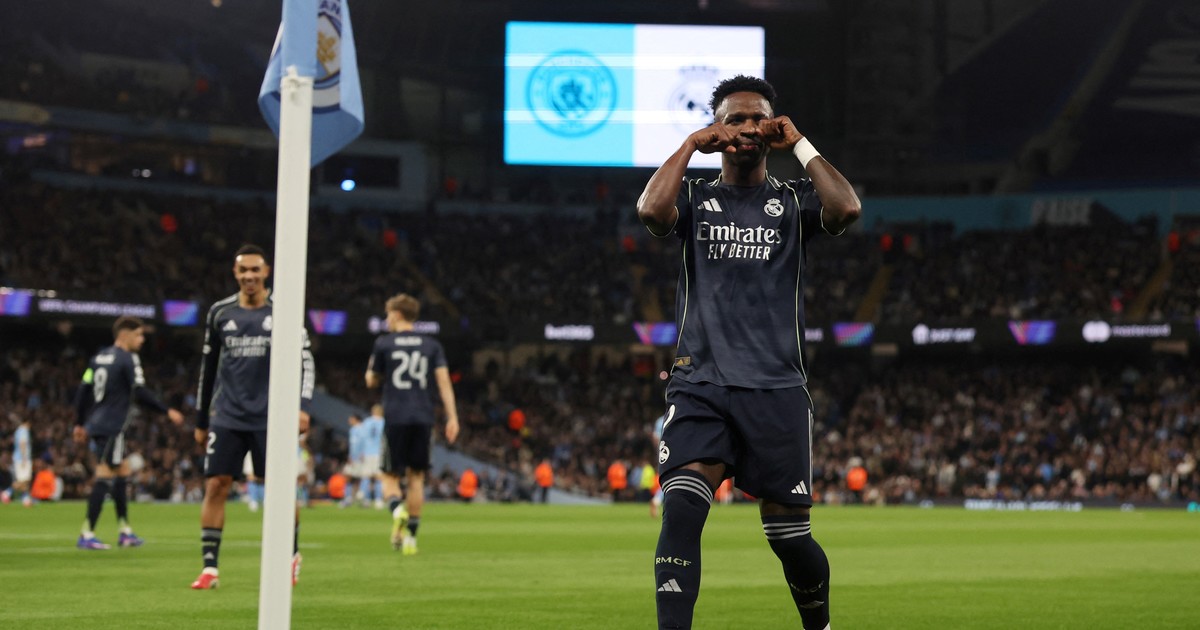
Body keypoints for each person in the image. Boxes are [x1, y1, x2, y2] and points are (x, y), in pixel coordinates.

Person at [636, 75, 861, 630]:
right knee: (682, 508)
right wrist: (689, 145)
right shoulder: (695, 197)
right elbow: (651, 212)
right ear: (717, 129)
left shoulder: (792, 202)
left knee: (790, 538)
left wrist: (800, 144)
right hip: (701, 383)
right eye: (733, 119)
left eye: (757, 117)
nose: (746, 127)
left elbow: (846, 208)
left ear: (772, 127)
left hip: (776, 389)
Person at [191, 244, 315, 590]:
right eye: (243, 270)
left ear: (266, 272)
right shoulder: (220, 313)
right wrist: (201, 419)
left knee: (280, 488)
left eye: (255, 270)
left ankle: (290, 555)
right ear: (235, 273)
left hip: (271, 418)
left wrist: (302, 406)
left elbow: (306, 361)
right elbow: (208, 369)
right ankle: (210, 568)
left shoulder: (285, 311)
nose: (249, 276)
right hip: (227, 415)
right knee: (216, 484)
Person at [73, 316, 185, 550]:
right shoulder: (128, 359)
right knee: (104, 475)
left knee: (122, 472)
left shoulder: (97, 358)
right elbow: (139, 391)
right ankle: (87, 533)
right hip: (113, 425)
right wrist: (166, 411)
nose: (142, 340)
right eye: (139, 335)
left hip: (97, 422)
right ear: (124, 335)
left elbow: (84, 389)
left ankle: (125, 531)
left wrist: (79, 423)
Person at [365, 293, 460, 555]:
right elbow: (443, 383)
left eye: (388, 314)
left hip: (395, 416)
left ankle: (397, 510)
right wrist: (452, 417)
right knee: (416, 478)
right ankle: (410, 540)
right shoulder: (432, 345)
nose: (386, 319)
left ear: (397, 314)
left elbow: (371, 380)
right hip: (423, 417)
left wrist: (375, 371)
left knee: (389, 476)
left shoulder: (384, 343)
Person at [6, 415, 33, 507]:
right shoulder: (23, 431)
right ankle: (6, 493)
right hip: (22, 458)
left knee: (25, 480)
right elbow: (22, 443)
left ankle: (26, 499)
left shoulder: (18, 431)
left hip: (19, 458)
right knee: (23, 480)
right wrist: (24, 458)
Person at [361, 405, 385, 508]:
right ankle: (378, 500)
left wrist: (361, 452)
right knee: (379, 477)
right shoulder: (384, 422)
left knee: (367, 476)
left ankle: (365, 499)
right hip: (379, 453)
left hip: (367, 453)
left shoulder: (367, 422)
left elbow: (362, 438)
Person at [343, 413, 366, 508]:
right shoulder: (352, 430)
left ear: (356, 419)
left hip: (360, 458)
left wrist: (363, 453)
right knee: (348, 476)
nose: (349, 421)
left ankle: (363, 499)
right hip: (353, 458)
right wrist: (350, 456)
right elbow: (353, 445)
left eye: (351, 419)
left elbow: (365, 442)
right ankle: (349, 497)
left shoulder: (363, 429)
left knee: (360, 478)